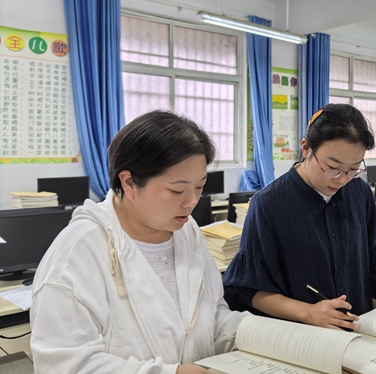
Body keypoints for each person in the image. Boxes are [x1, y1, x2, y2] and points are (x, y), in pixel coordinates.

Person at [30, 111, 247, 374]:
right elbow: (65, 365)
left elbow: (214, 320)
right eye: (177, 190)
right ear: (129, 183)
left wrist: (278, 335)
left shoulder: (186, 232)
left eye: (200, 187)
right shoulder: (78, 253)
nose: (192, 201)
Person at [223, 103, 376, 331]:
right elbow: (248, 290)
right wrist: (308, 312)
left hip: (358, 332)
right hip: (304, 339)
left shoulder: (359, 193)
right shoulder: (269, 205)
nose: (342, 179)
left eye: (354, 169)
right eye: (333, 167)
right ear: (306, 148)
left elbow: (373, 256)